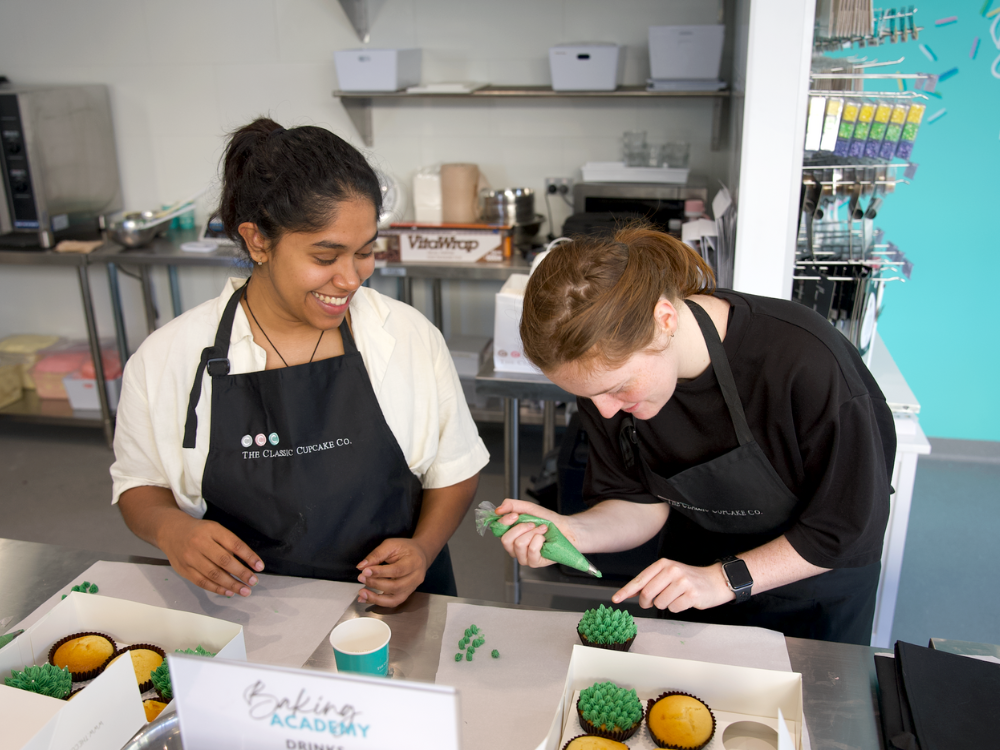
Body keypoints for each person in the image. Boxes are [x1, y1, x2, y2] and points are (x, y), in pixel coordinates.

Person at [111, 118, 489, 607]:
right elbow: (140, 482)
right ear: (257, 241)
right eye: (326, 255)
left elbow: (455, 465)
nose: (351, 279)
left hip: (396, 610)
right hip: (247, 612)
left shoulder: (406, 336)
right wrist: (171, 531)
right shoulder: (168, 357)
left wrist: (423, 547)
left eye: (366, 252)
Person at [495, 226, 894, 644]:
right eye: (588, 396)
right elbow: (639, 503)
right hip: (694, 580)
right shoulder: (603, 383)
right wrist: (574, 532)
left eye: (617, 388)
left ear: (664, 320)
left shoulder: (804, 363)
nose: (606, 411)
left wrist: (724, 580)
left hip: (813, 590)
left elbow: (848, 526)